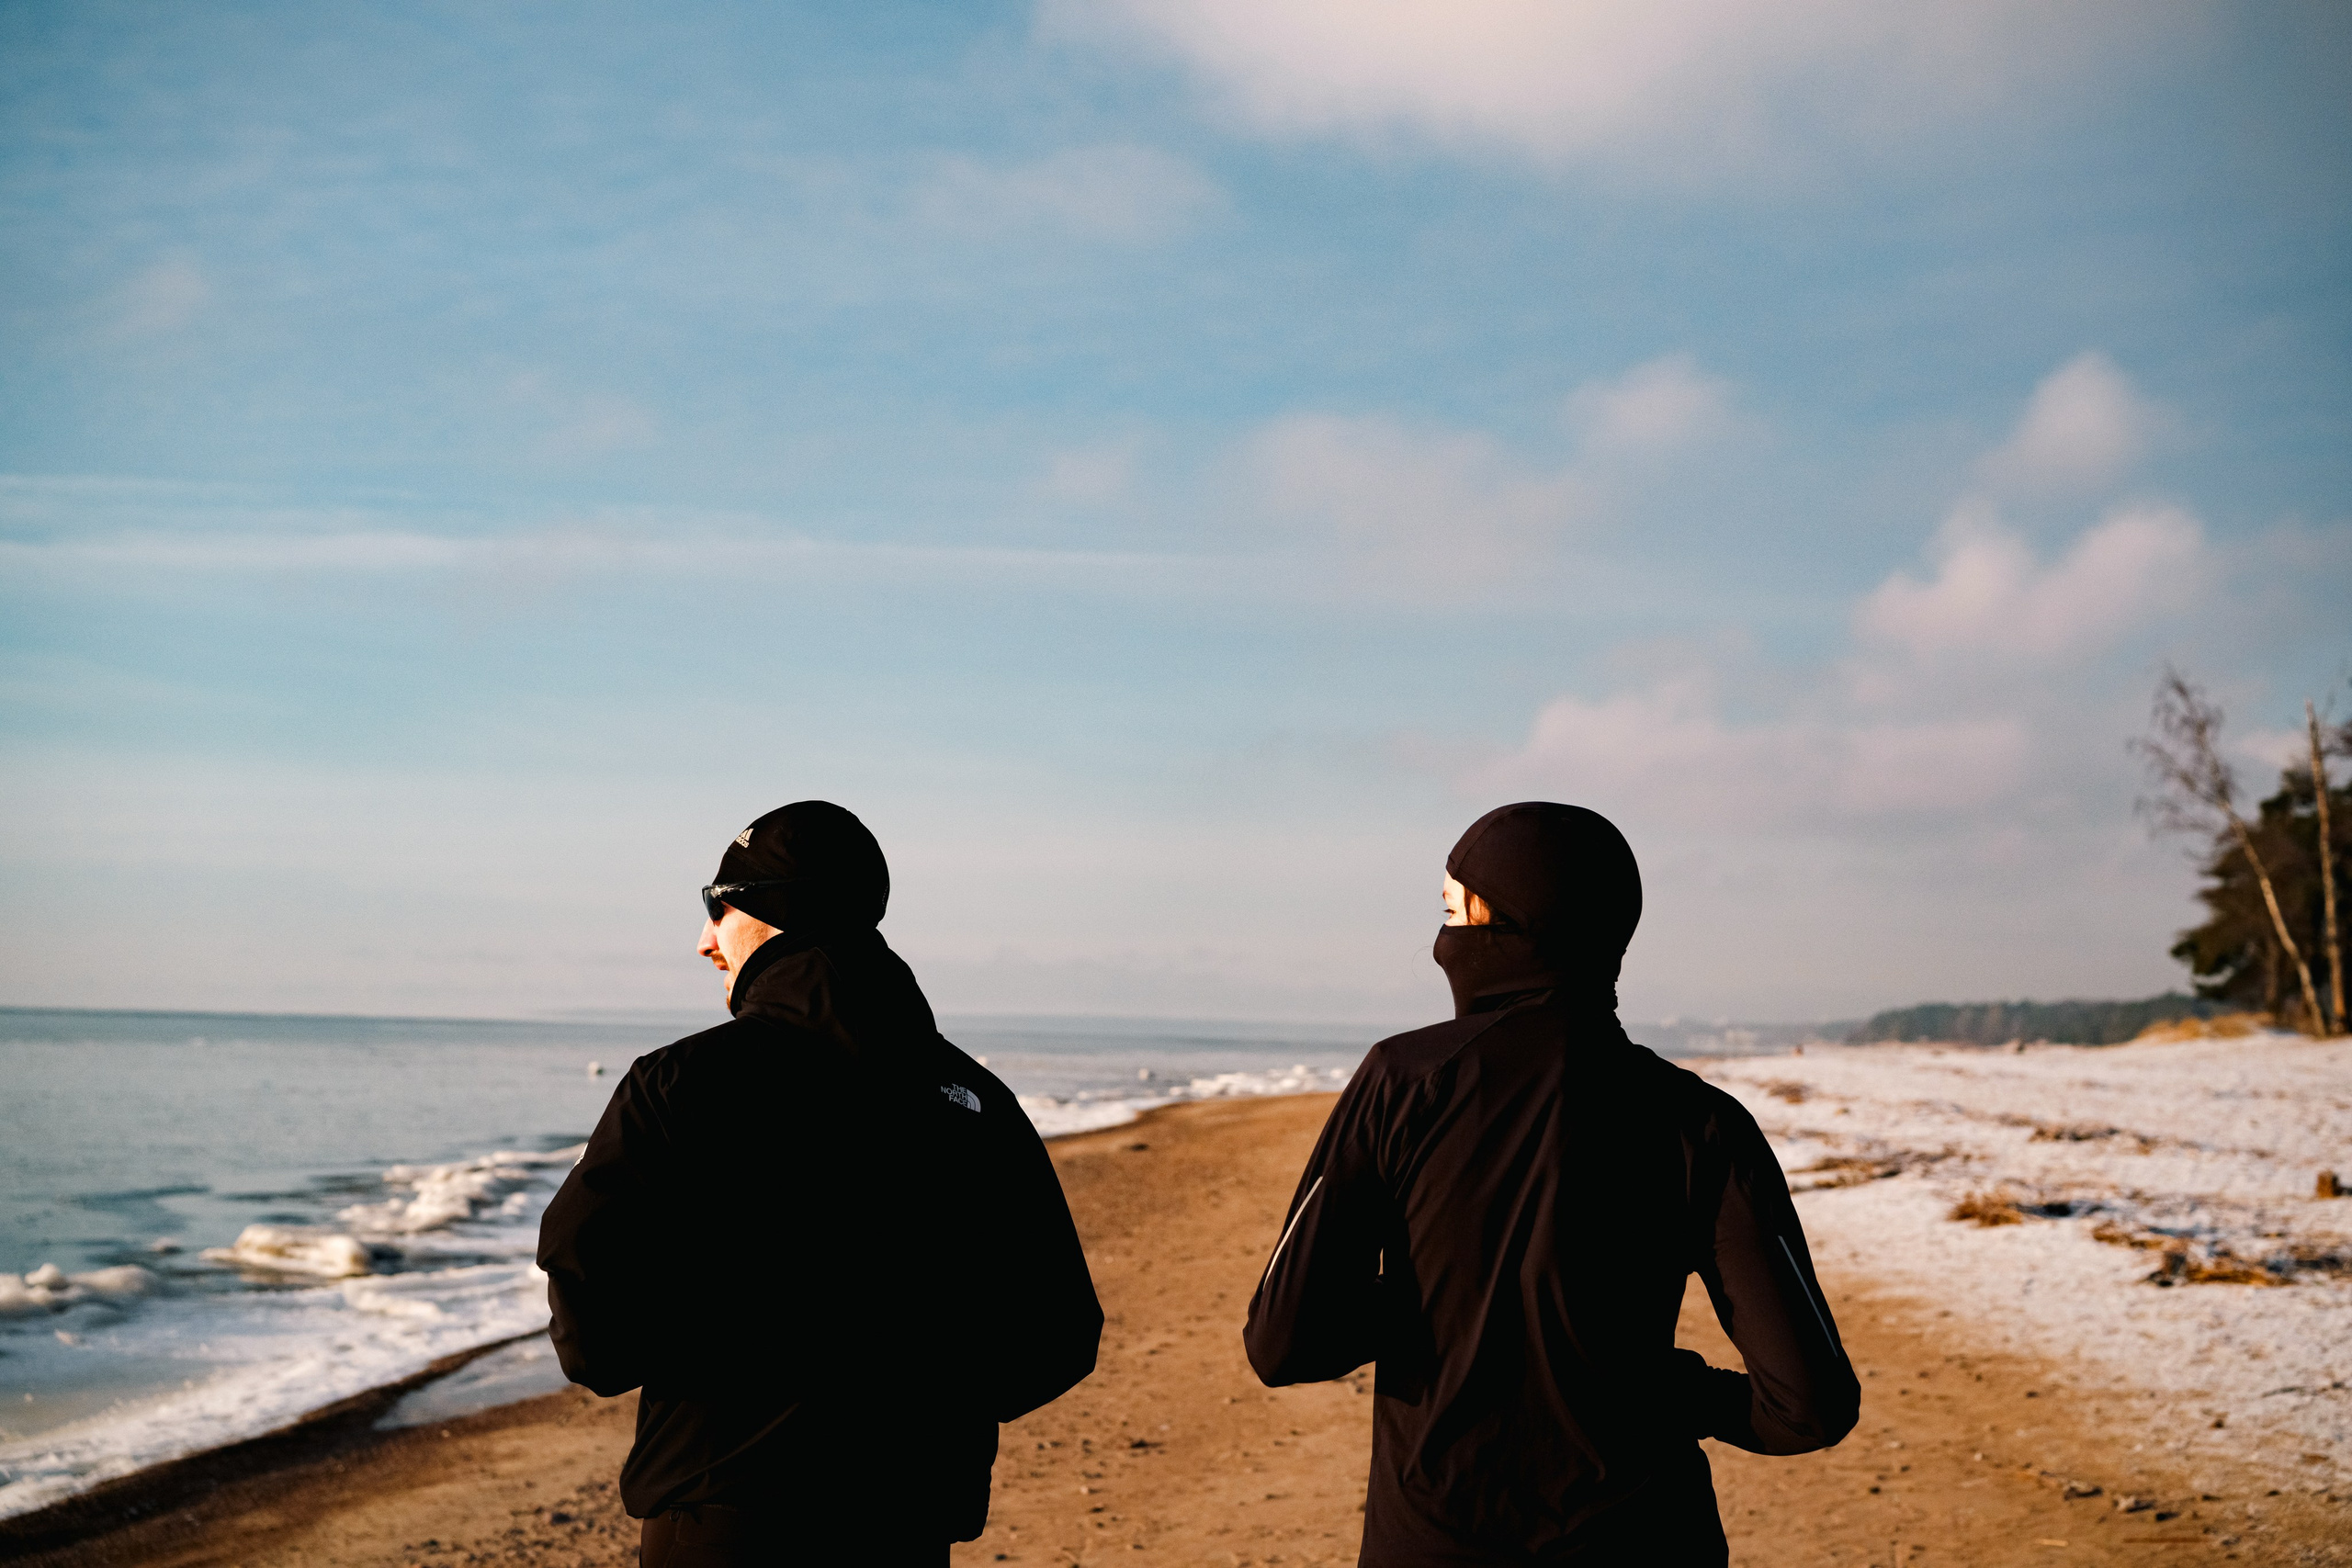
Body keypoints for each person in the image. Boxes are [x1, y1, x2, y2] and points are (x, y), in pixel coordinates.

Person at [1243, 802, 1860, 1565]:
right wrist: (1674, 1388)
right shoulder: (1702, 1122)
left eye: (1451, 909)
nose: (1439, 938)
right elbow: (1811, 1406)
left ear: (1508, 923)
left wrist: (1428, 1300)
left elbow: (1282, 1341)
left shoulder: (1403, 1082)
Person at [538, 801, 1102, 1567]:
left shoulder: (682, 1082)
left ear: (777, 909)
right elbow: (1058, 1333)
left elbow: (588, 1307)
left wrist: (725, 1369)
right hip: (906, 1525)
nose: (704, 939)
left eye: (719, 906)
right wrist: (922, 1406)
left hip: (723, 1520)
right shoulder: (976, 1101)